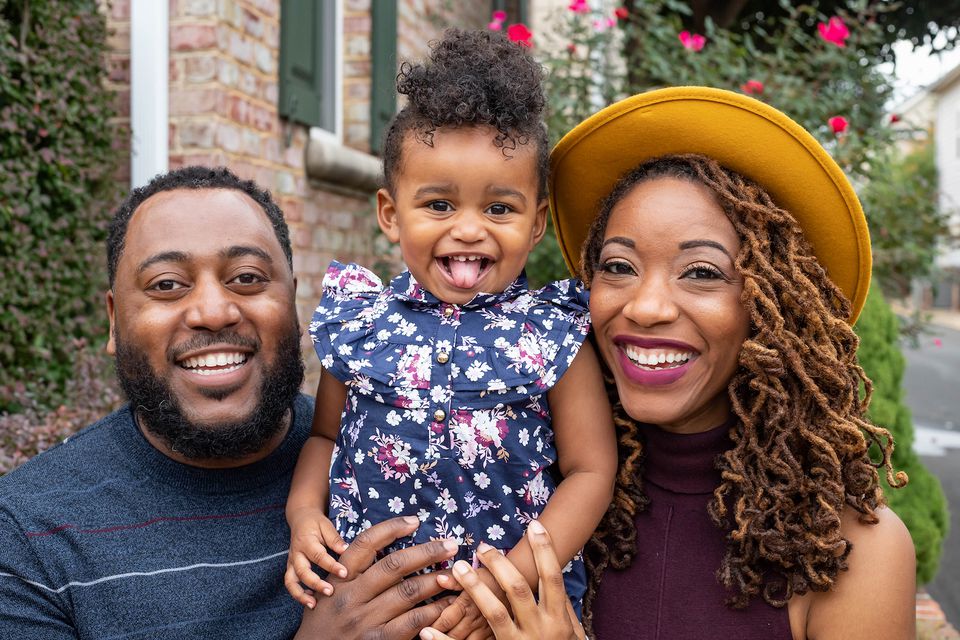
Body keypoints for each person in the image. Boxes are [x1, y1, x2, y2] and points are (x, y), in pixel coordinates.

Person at [0, 166, 471, 640]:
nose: (213, 312)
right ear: (113, 320)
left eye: (247, 277)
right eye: (166, 284)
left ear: (294, 303)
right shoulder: (27, 535)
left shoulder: (416, 457)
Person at [544, 87, 917, 639]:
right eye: (618, 266)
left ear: (772, 309)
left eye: (701, 272)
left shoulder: (851, 552)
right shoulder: (533, 492)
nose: (645, 307)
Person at [283, 28, 617, 635]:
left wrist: (512, 577)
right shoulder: (361, 325)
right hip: (371, 608)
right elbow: (325, 437)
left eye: (499, 208)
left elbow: (592, 470)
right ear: (391, 213)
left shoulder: (553, 336)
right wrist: (304, 512)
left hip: (508, 613)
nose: (468, 229)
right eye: (439, 205)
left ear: (536, 221)